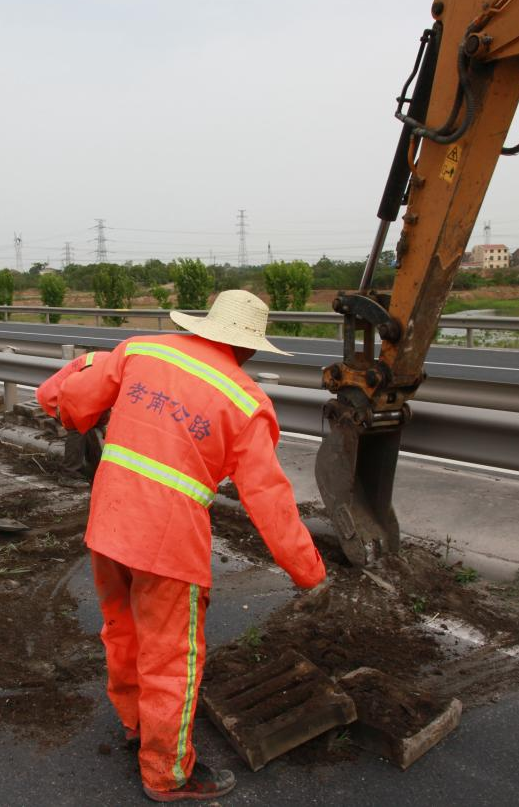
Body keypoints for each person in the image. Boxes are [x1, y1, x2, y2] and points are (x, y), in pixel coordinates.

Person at [57, 290, 326, 803]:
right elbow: (269, 501)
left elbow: (71, 401)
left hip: (109, 522)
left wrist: (65, 402)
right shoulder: (246, 402)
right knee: (171, 658)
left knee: (122, 632)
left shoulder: (142, 350)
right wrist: (309, 570)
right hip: (168, 544)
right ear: (249, 346)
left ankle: (136, 724)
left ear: (204, 326)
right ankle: (167, 773)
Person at [36, 350, 110, 482]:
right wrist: (101, 422)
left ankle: (94, 471)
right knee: (78, 427)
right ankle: (69, 474)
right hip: (57, 396)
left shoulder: (111, 363)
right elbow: (84, 396)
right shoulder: (101, 367)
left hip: (70, 394)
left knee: (89, 425)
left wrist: (100, 422)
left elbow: (104, 397)